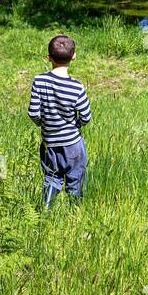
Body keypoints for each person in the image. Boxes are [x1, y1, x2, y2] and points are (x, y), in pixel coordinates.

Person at [27, 34, 92, 208]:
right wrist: (75, 125)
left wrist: (45, 124)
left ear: (48, 58)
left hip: (49, 144)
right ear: (74, 56)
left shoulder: (39, 81)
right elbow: (86, 117)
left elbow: (33, 113)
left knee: (51, 177)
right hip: (73, 145)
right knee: (75, 180)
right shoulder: (77, 86)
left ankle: (44, 213)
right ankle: (75, 214)